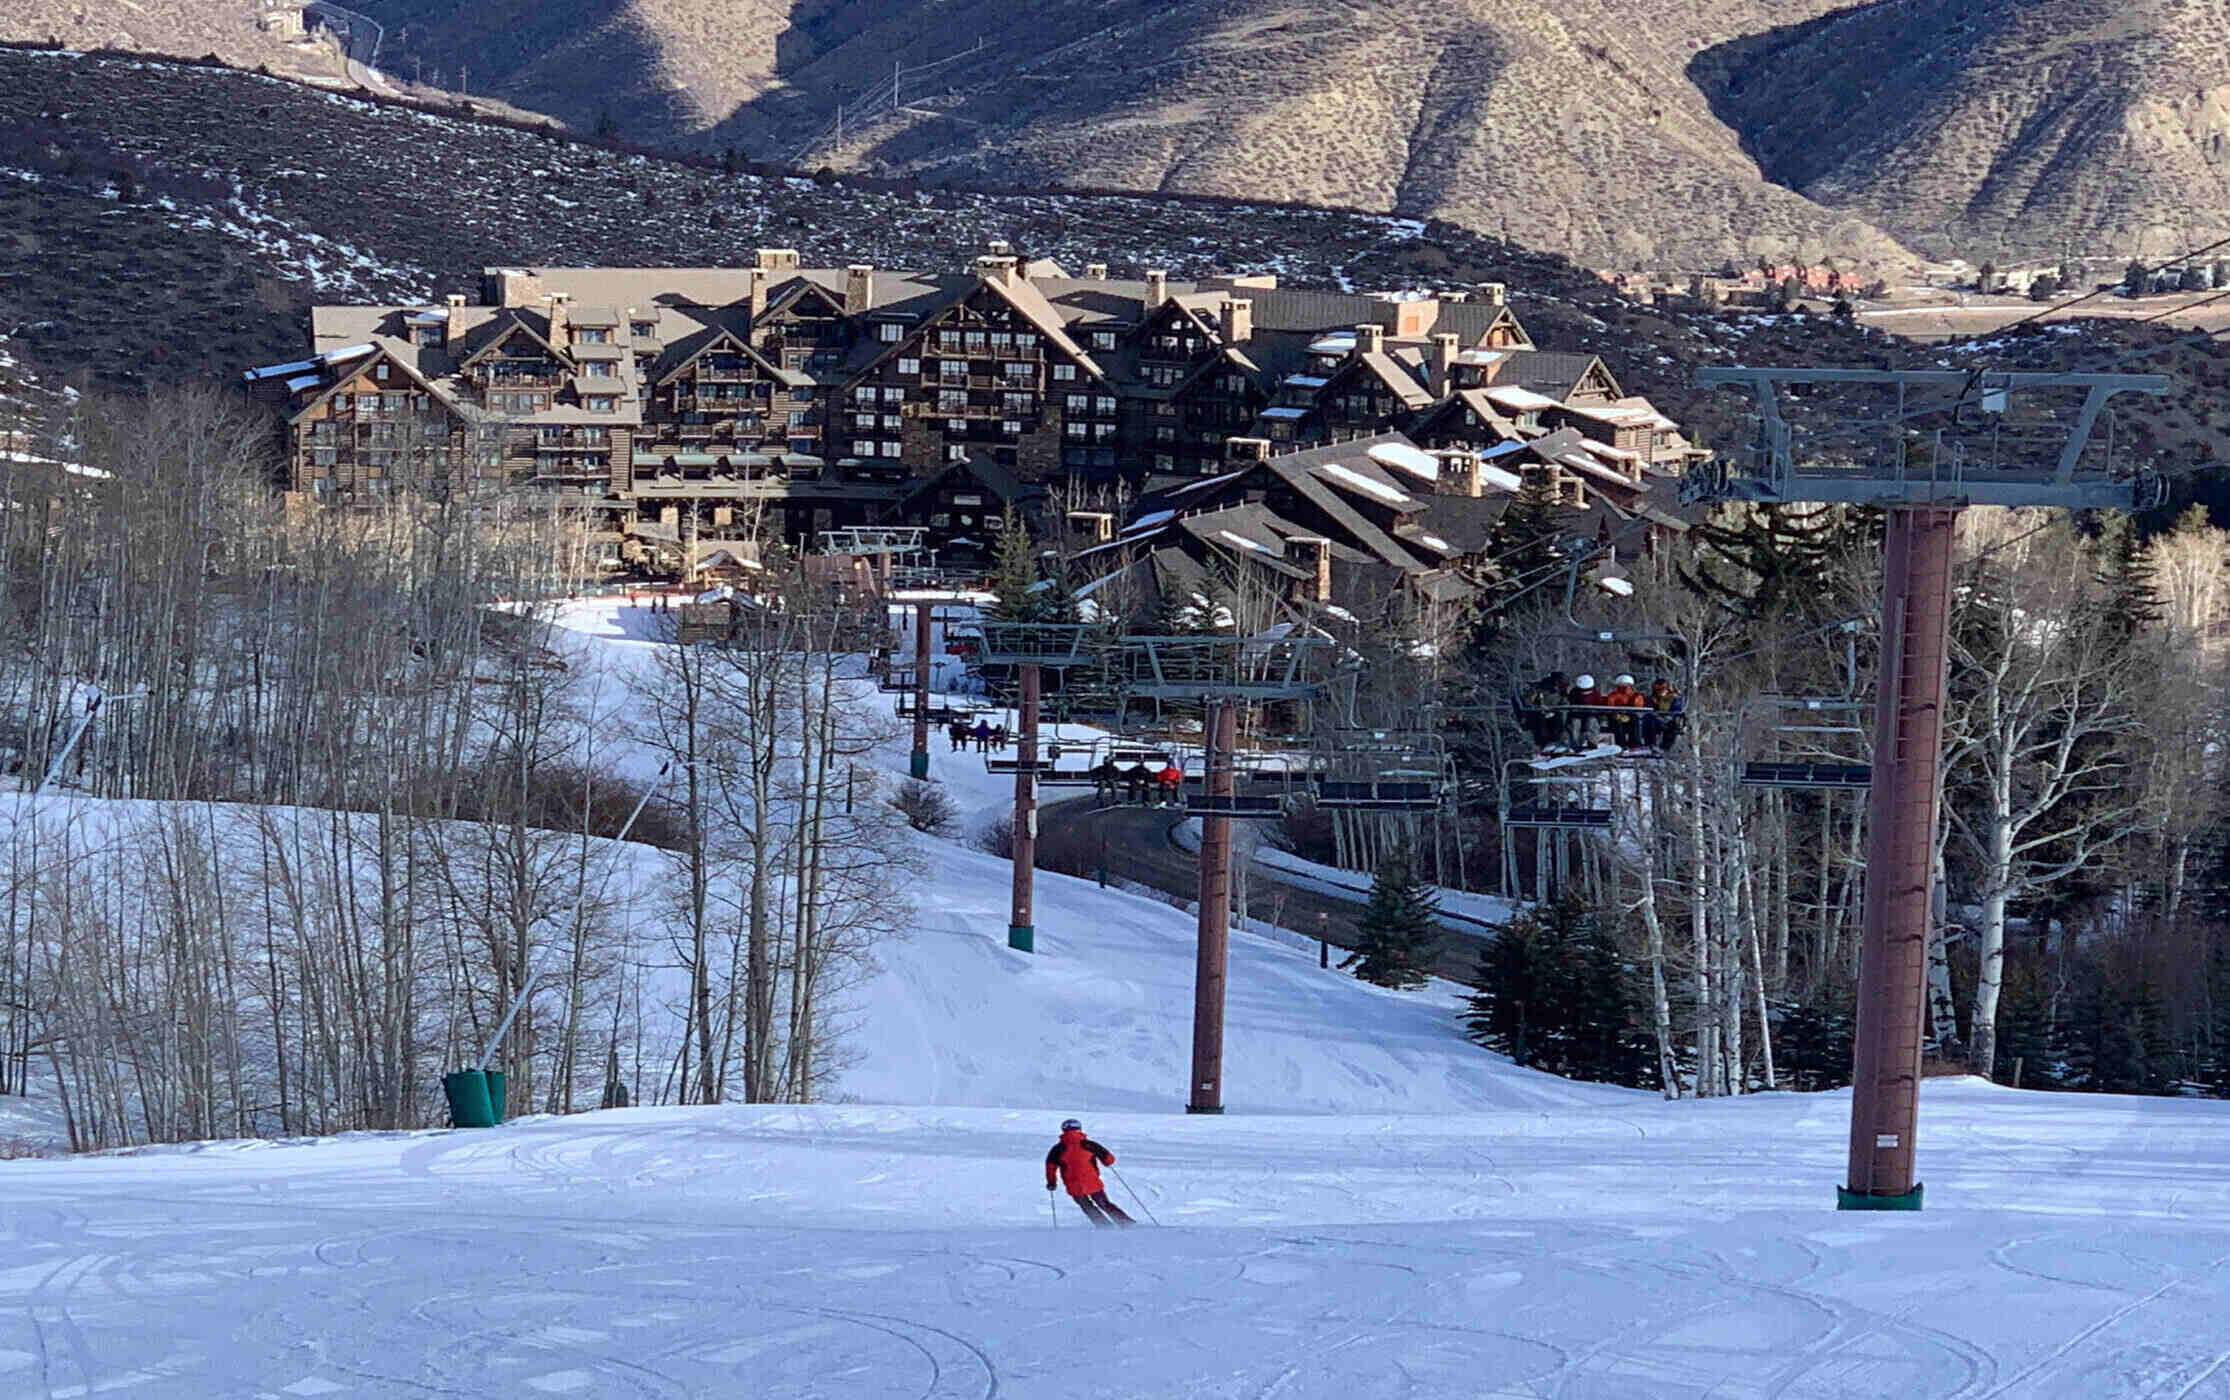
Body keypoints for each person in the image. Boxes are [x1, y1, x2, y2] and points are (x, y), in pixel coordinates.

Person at [1044, 1118, 1134, 1226]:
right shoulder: (1089, 1145)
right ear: (1079, 1129)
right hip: (1092, 1182)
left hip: (1073, 1184)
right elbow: (1109, 1159)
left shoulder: (1057, 1149)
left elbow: (1050, 1167)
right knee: (1104, 1204)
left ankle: (1104, 1226)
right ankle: (1126, 1223)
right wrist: (1105, 1161)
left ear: (1063, 1130)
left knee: (1086, 1206)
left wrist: (1052, 1183)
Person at [1522, 670, 1567, 751]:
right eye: (1558, 682)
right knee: (1541, 722)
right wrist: (1539, 707)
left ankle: (1558, 742)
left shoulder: (1561, 689)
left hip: (1554, 712)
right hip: (1538, 713)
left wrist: (1556, 709)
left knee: (1558, 719)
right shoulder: (1539, 688)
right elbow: (1528, 701)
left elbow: (1564, 702)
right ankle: (1544, 744)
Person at [1604, 674, 1646, 749]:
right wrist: (1617, 715)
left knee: (1635, 721)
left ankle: (1634, 745)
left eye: (1627, 685)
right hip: (1617, 717)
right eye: (1622, 685)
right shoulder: (1613, 695)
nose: (1625, 687)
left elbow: (1638, 708)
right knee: (1617, 723)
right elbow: (1610, 707)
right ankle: (1620, 745)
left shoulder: (1636, 695)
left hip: (1631, 717)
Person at [1565, 673, 1605, 749]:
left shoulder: (1595, 694)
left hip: (1591, 715)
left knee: (1591, 722)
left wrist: (1599, 716)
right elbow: (1570, 704)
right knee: (1575, 723)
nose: (1585, 692)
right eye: (1582, 690)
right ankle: (1576, 744)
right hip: (1577, 715)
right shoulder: (1574, 693)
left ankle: (1592, 742)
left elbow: (1600, 706)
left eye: (1587, 690)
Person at [1646, 678, 1685, 754]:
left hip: (1669, 720)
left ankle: (1665, 748)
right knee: (1649, 723)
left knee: (1673, 727)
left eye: (1662, 688)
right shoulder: (1652, 699)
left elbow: (1676, 710)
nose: (1660, 691)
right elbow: (1648, 709)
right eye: (1657, 689)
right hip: (1655, 720)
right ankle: (1650, 745)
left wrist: (1668, 717)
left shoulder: (1674, 698)